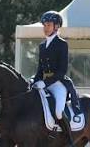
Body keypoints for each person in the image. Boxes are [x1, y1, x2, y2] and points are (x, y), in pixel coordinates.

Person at [32, 10, 76, 147]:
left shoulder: (62, 44)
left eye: (48, 25)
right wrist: (34, 81)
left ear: (56, 26)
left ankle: (68, 140)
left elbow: (61, 71)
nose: (45, 28)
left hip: (58, 83)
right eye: (44, 25)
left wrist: (44, 83)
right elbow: (40, 69)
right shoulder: (42, 46)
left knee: (57, 112)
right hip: (43, 83)